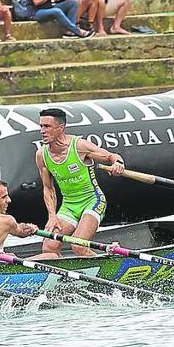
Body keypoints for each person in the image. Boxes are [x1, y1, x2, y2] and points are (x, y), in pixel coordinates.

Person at [34, 107, 125, 258]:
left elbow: (111, 157)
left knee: (78, 246)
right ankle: (63, 279)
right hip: (69, 206)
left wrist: (118, 163)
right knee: (49, 247)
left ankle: (106, 270)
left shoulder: (80, 147)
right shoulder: (41, 155)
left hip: (92, 201)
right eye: (41, 126)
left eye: (47, 126)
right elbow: (48, 188)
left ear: (61, 128)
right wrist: (52, 216)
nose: (42, 131)